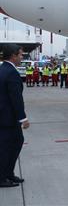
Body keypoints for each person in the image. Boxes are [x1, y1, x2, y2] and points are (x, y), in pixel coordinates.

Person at [0, 44, 30, 188]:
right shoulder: (11, 73)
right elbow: (16, 98)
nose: (22, 56)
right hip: (8, 118)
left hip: (5, 117)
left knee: (14, 143)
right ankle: (2, 177)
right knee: (8, 147)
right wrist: (23, 118)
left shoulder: (2, 69)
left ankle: (8, 173)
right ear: (13, 55)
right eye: (20, 54)